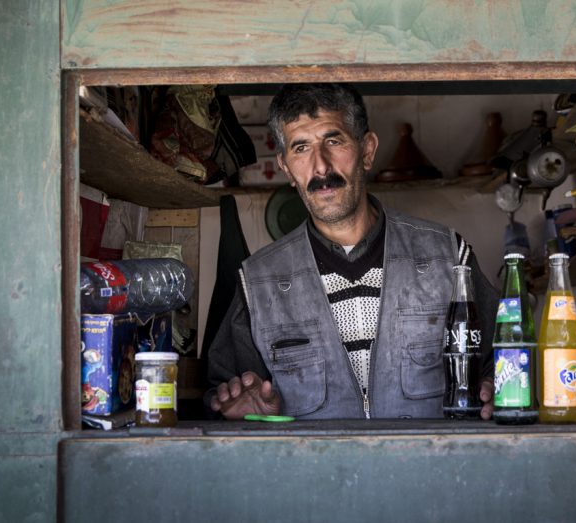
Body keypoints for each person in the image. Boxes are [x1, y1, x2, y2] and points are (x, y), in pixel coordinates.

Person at [206, 83, 499, 420]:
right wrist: (237, 407)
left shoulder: (447, 257)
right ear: (286, 168)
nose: (320, 167)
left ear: (368, 150)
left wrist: (493, 388)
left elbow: (504, 357)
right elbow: (223, 395)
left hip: (429, 467)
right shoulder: (258, 281)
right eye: (301, 148)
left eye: (333, 141)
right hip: (313, 471)